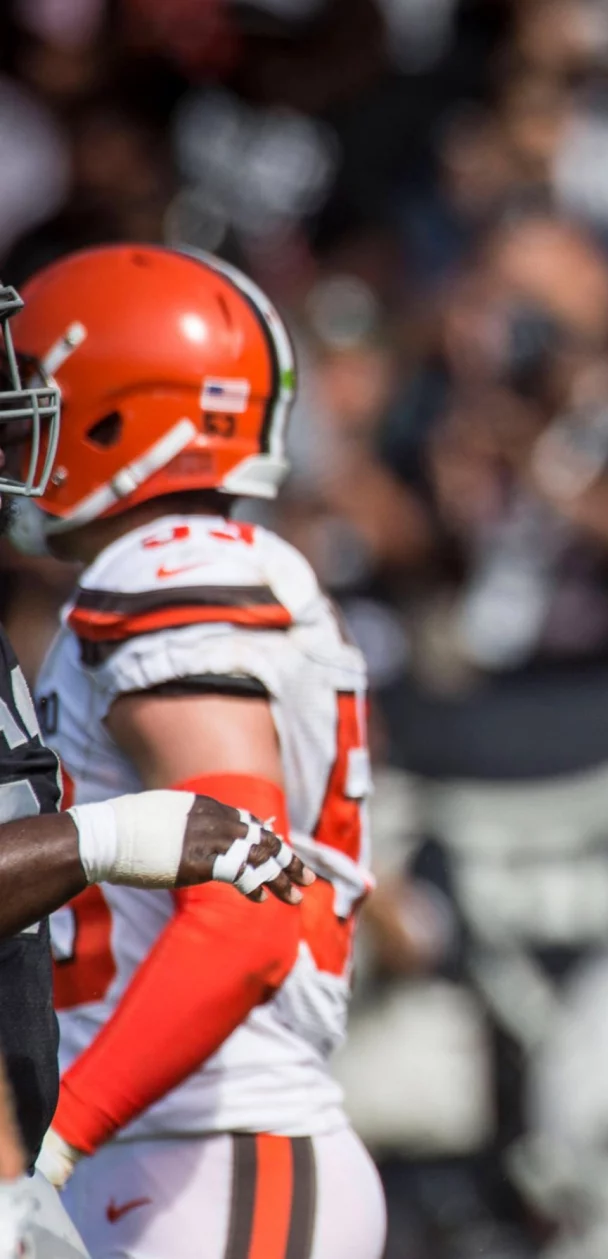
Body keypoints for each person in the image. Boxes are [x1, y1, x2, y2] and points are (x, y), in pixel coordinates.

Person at [8, 246, 386, 1259]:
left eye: (34, 398)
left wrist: (57, 1143)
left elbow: (243, 904)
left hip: (206, 1154)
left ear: (118, 414)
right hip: (174, 1154)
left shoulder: (175, 568)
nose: (14, 432)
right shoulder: (187, 570)